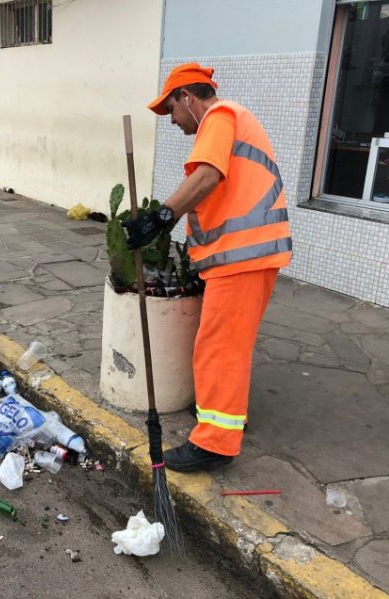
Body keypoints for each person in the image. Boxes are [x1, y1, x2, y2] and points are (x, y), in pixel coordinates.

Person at [123, 63, 292, 472]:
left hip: (243, 256)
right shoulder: (232, 119)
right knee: (228, 346)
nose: (173, 121)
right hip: (246, 255)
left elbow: (207, 177)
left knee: (217, 348)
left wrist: (159, 218)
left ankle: (214, 443)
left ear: (188, 98)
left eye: (172, 111)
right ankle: (228, 417)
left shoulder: (218, 117)